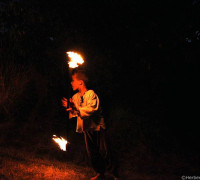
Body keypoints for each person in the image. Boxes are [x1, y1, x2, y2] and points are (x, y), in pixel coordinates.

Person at [62, 69, 119, 180]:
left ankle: (114, 174)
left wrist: (76, 108)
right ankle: (100, 173)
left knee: (104, 151)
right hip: (87, 128)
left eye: (73, 80)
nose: (71, 83)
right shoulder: (76, 97)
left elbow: (91, 109)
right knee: (92, 152)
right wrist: (70, 107)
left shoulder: (91, 94)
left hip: (97, 127)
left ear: (81, 82)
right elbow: (75, 113)